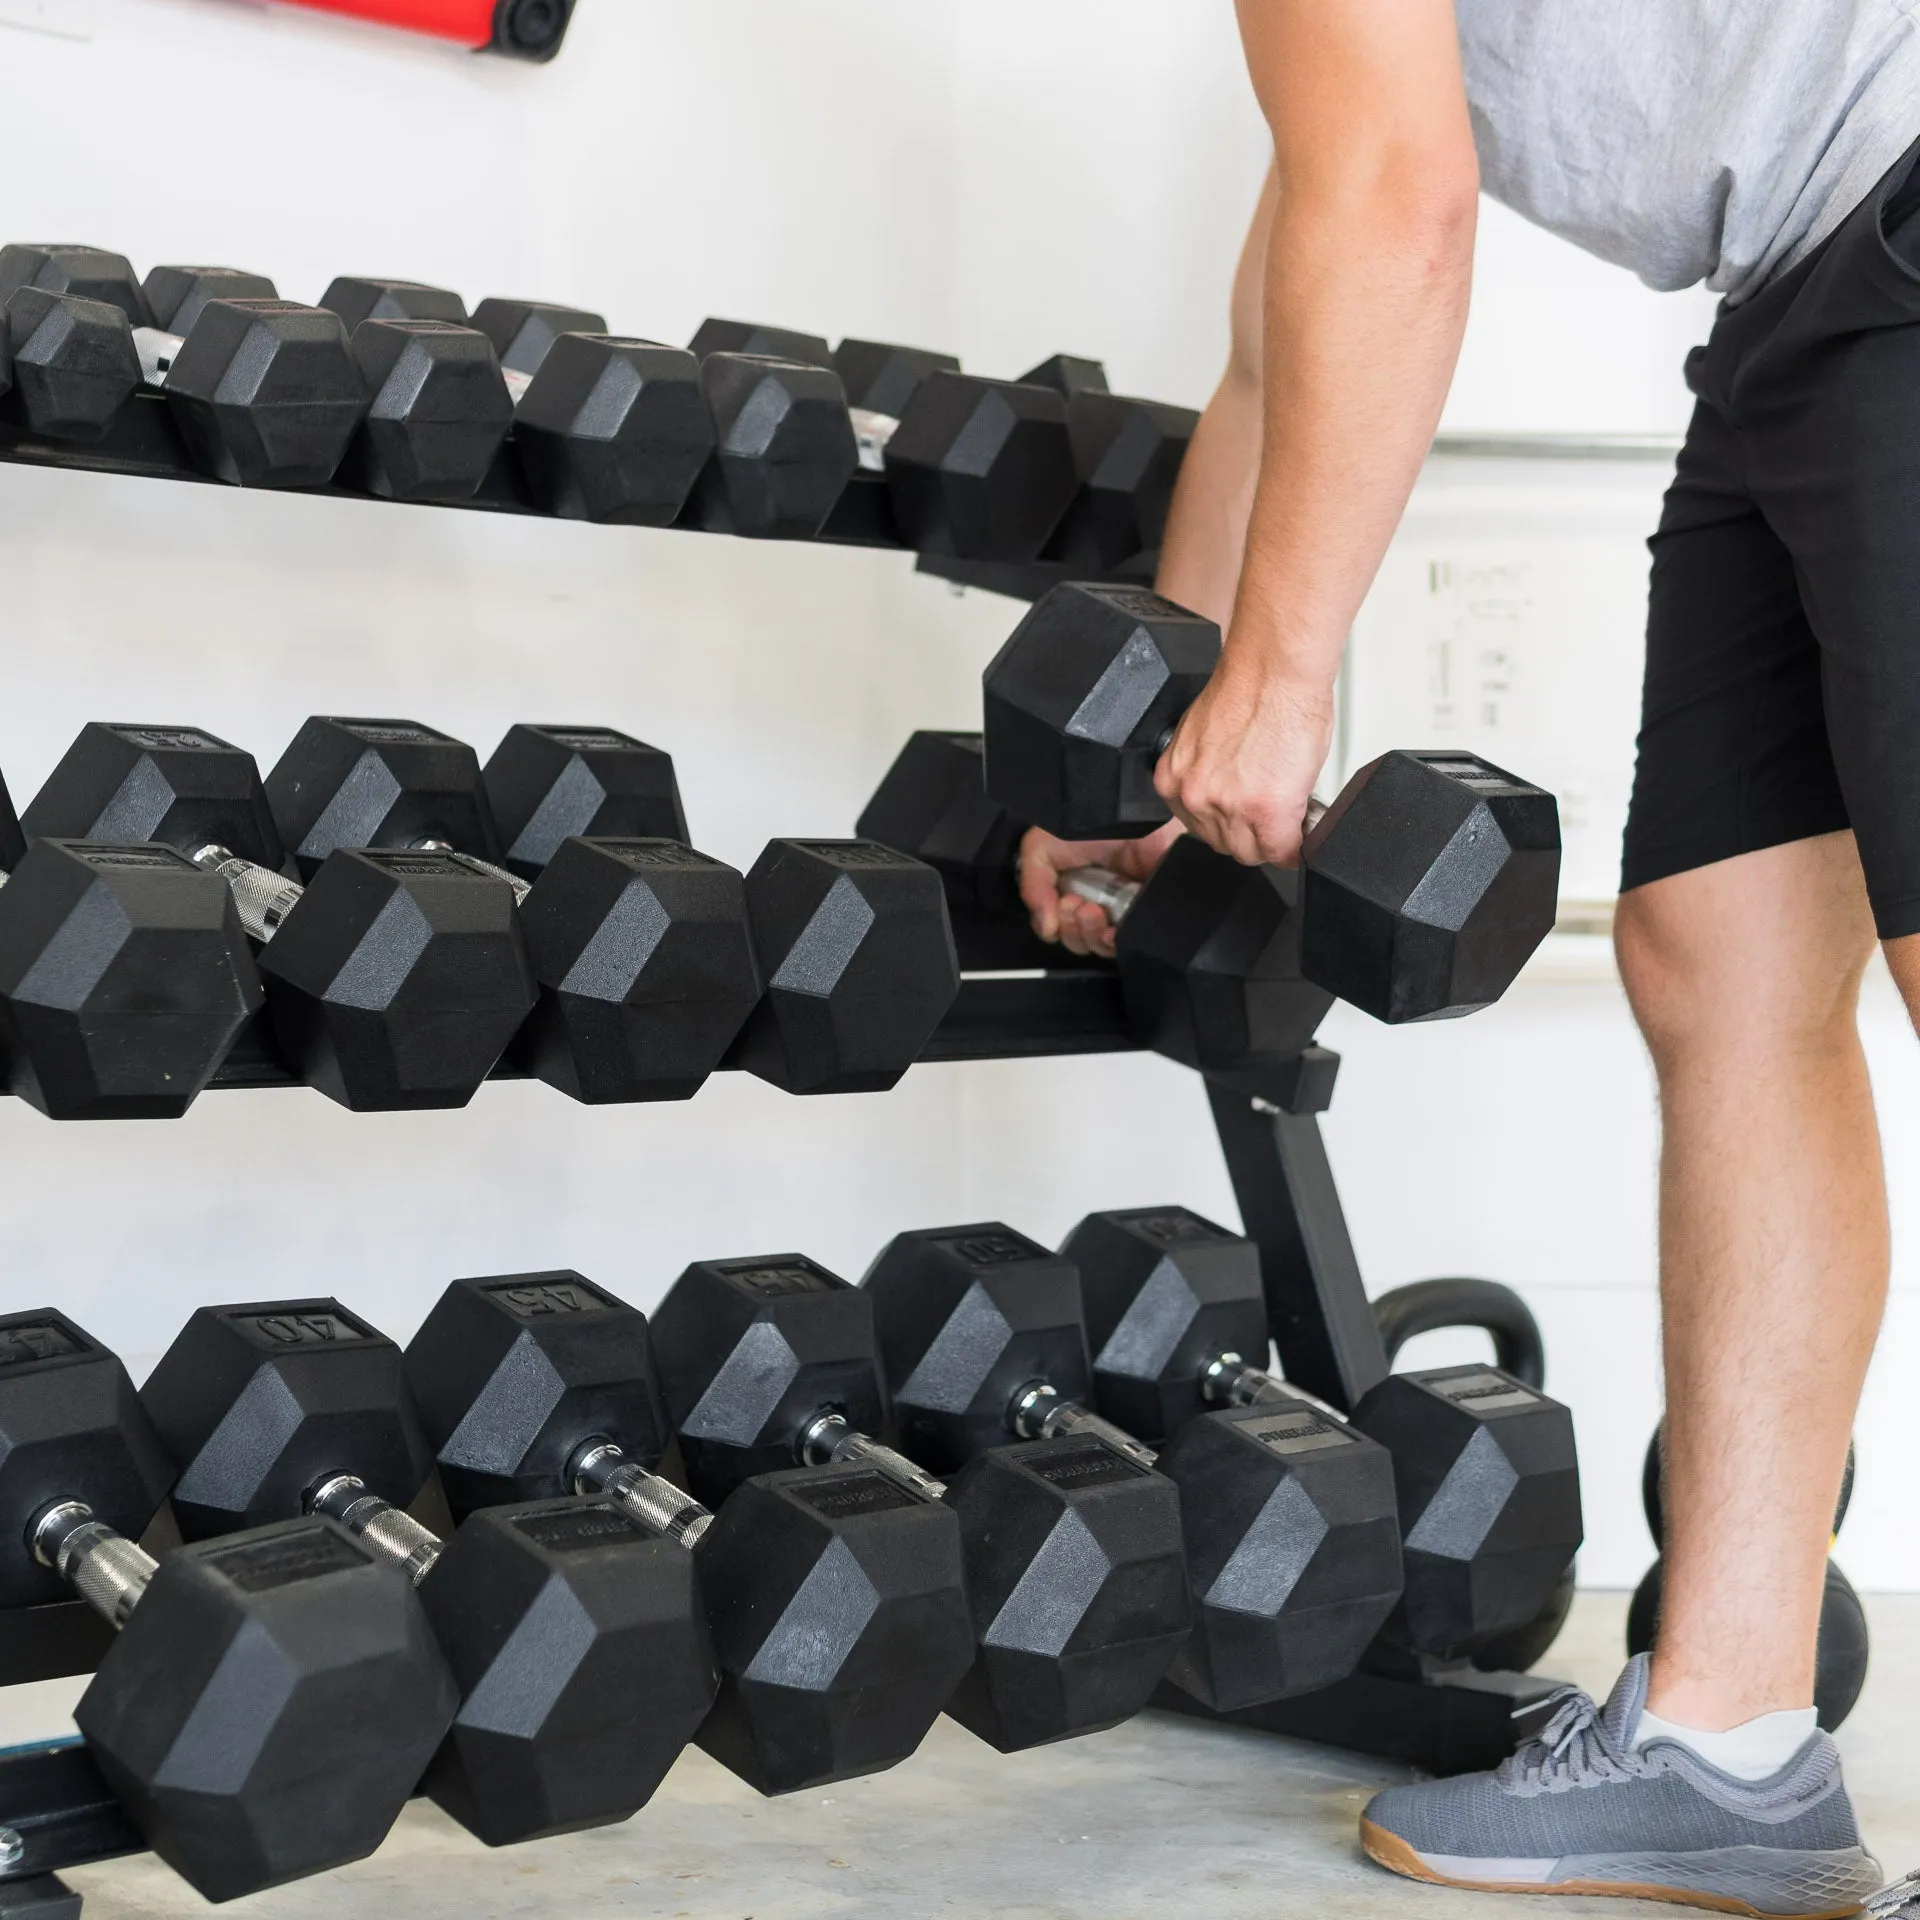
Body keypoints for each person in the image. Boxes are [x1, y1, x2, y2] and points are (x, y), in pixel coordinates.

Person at [1019, 4, 1920, 1914]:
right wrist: (1173, 728)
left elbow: (1405, 211)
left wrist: (1280, 685)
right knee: (1717, 954)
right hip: (1816, 295)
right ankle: (1726, 1748)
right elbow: (1294, 312)